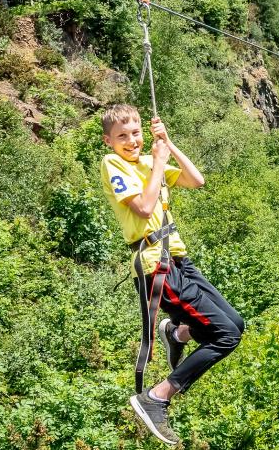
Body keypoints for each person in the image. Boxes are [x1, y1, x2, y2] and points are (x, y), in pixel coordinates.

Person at [100, 104, 244, 445]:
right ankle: (157, 397)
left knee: (235, 324)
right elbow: (144, 208)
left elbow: (197, 179)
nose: (132, 141)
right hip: (155, 266)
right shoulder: (113, 164)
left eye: (136, 133)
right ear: (109, 141)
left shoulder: (152, 162)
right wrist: (159, 163)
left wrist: (168, 143)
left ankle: (176, 333)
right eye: (122, 136)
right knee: (225, 336)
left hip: (179, 260)